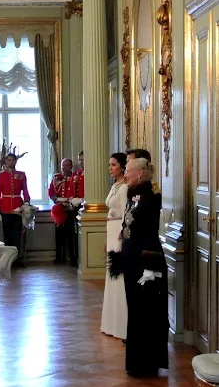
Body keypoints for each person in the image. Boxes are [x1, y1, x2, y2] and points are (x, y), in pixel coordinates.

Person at [119, 158, 168, 376]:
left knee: (148, 309)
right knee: (135, 309)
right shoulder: (134, 196)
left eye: (128, 171)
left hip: (148, 262)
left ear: (139, 173)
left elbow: (144, 229)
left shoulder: (151, 198)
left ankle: (148, 363)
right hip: (132, 261)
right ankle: (137, 363)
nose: (125, 174)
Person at [100, 153, 128, 340]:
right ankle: (110, 323)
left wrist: (122, 235)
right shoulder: (115, 185)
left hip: (119, 232)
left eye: (113, 165)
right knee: (111, 275)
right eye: (109, 165)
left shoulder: (125, 187)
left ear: (123, 167)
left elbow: (126, 212)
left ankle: (121, 325)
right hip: (111, 231)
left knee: (119, 276)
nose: (110, 168)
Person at [0, 153, 30, 253]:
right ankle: (9, 257)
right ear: (5, 161)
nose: (11, 162)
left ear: (15, 161)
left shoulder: (21, 174)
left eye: (12, 160)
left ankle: (16, 256)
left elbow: (25, 190)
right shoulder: (1, 175)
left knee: (17, 234)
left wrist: (27, 202)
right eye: (8, 160)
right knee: (7, 234)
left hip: (18, 207)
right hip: (5, 207)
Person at [48, 158, 76, 264]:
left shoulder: (75, 178)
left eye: (67, 165)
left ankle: (72, 257)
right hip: (59, 209)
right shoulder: (56, 178)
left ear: (71, 166)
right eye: (63, 165)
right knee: (59, 234)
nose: (65, 168)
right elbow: (51, 191)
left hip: (70, 209)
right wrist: (55, 198)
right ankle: (59, 256)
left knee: (70, 235)